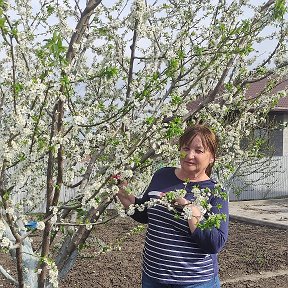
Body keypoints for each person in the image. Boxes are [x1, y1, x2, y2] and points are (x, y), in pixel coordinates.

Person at [117, 124, 229, 288]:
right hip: (153, 278)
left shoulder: (216, 192)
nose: (189, 155)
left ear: (211, 157)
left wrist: (190, 210)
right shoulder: (163, 175)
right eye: (186, 148)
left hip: (195, 282)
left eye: (198, 151)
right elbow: (145, 213)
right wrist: (124, 195)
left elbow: (215, 243)